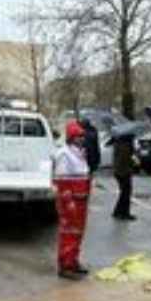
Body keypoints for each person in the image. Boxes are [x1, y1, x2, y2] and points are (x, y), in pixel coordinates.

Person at [53, 120, 91, 280]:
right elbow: (61, 180)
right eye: (78, 136)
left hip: (81, 199)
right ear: (71, 137)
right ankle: (65, 266)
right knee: (68, 233)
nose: (82, 138)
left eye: (82, 135)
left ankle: (73, 261)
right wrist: (68, 202)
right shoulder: (64, 154)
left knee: (78, 233)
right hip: (71, 201)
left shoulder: (80, 153)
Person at [112, 133, 136, 221]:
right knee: (126, 192)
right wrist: (133, 161)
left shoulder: (119, 143)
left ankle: (118, 211)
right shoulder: (125, 145)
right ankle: (124, 213)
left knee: (124, 192)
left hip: (119, 171)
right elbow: (126, 159)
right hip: (124, 171)